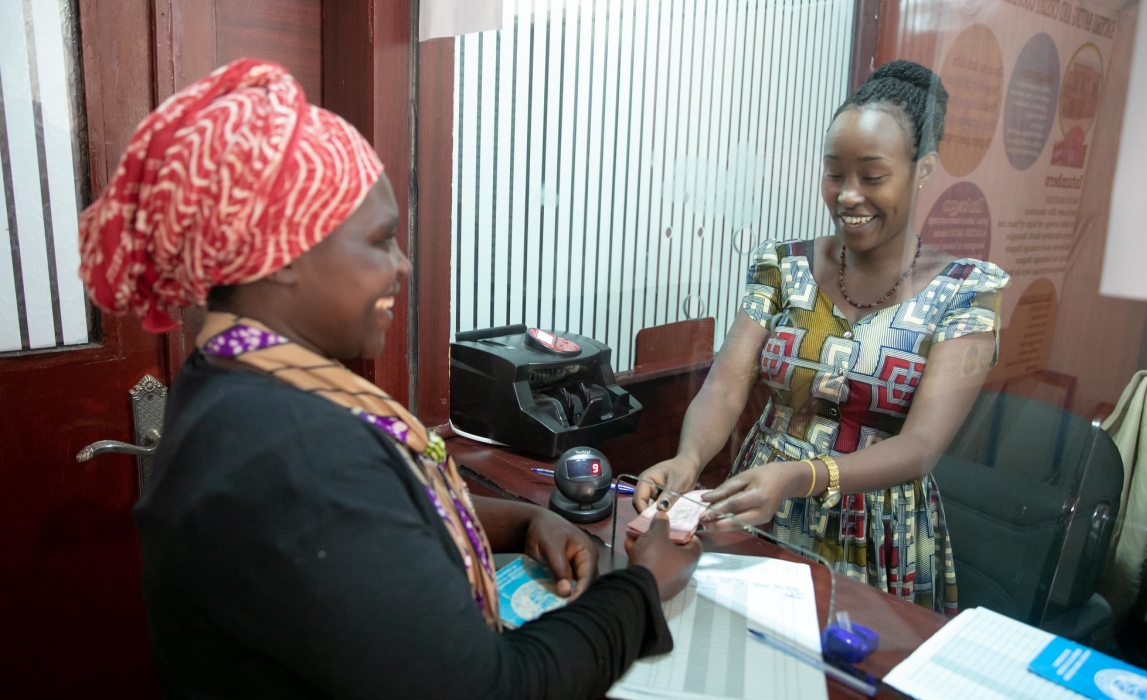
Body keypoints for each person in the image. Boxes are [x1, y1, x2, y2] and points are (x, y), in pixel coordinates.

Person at [78, 59, 700, 699]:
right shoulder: (294, 450)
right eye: (380, 240)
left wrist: (518, 521)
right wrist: (644, 585)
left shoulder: (233, 376)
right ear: (284, 254)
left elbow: (369, 525)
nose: (401, 265)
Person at [634, 60, 1009, 615]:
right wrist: (689, 459)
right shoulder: (783, 266)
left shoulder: (966, 292)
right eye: (834, 174)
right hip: (762, 504)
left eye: (872, 176)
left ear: (923, 169)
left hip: (877, 529)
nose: (848, 195)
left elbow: (921, 447)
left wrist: (802, 477)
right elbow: (726, 384)